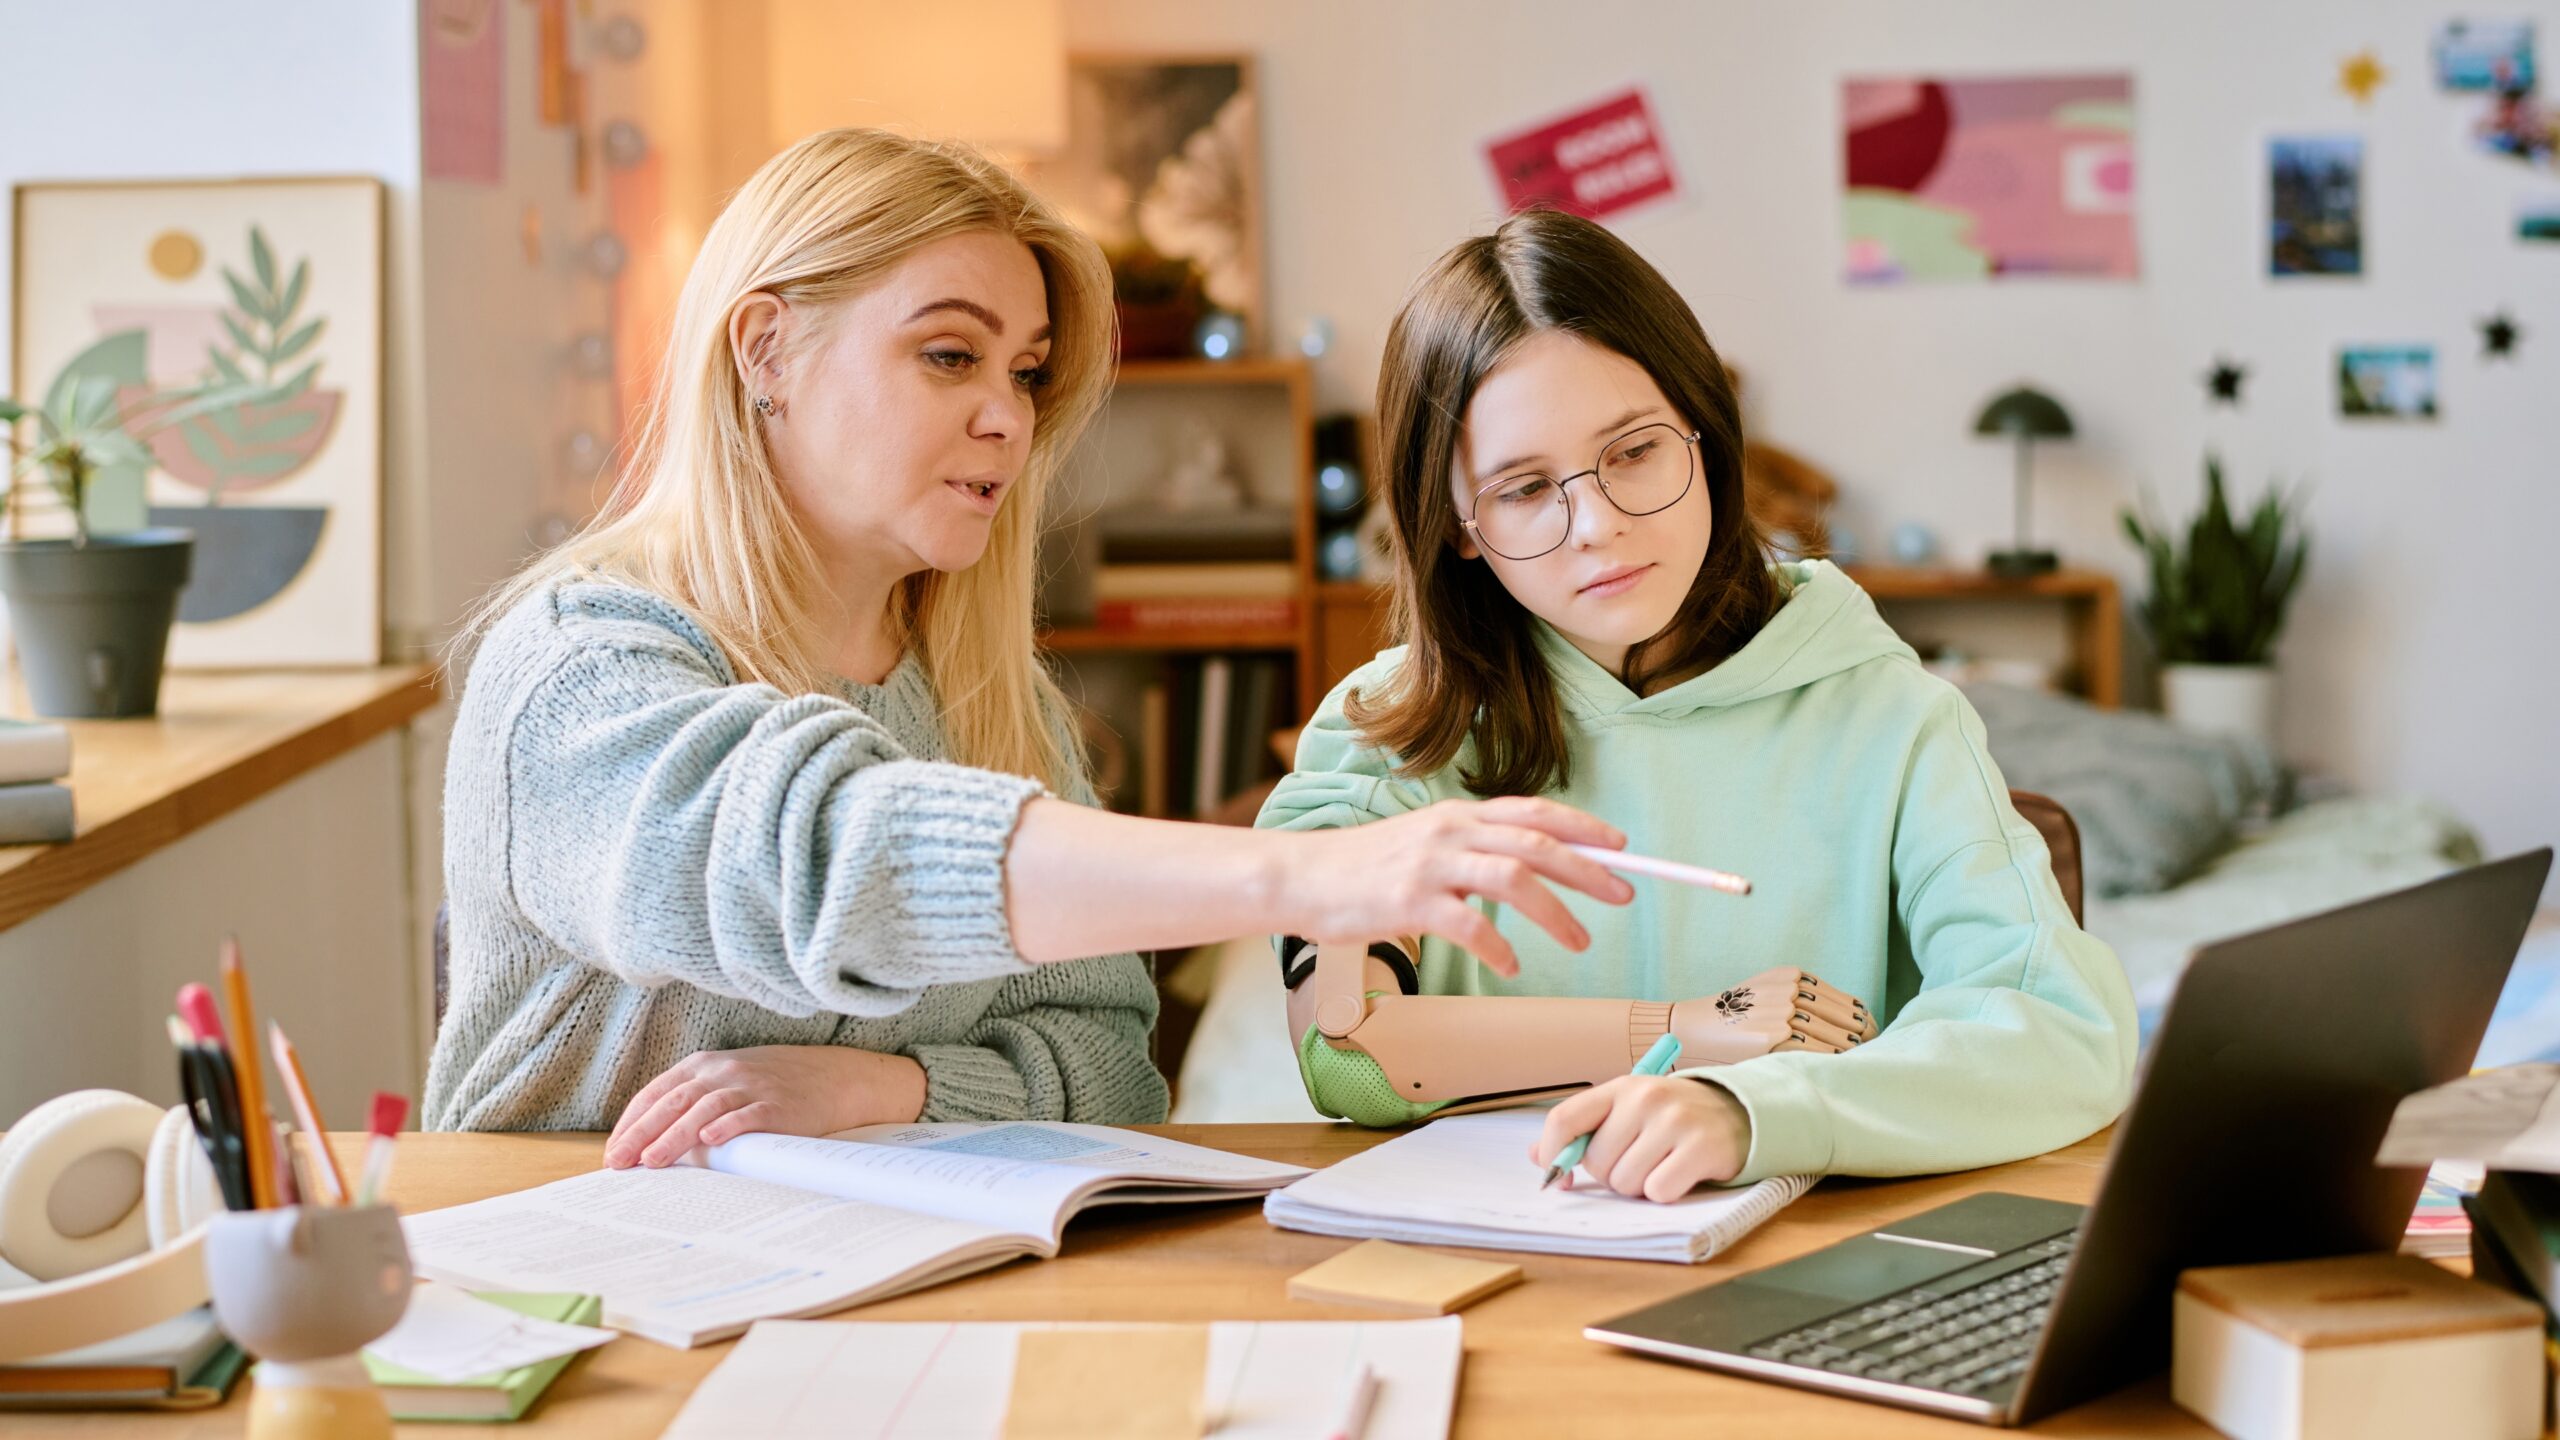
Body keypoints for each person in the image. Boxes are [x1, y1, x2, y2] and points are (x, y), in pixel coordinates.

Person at [422, 130, 1630, 1164]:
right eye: (949, 355)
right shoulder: (583, 665)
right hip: (579, 1295)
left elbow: (1113, 1066)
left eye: (1027, 370)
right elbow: (823, 863)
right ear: (766, 351)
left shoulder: (994, 701)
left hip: (867, 1284)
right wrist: (1304, 875)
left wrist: (881, 1091)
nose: (1007, 415)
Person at [1259, 208, 2137, 1201]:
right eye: (1521, 487)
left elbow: (2061, 1029)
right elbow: (1350, 1058)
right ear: (1457, 526)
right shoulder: (1379, 734)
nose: (1595, 525)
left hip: (1805, 1280)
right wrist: (1691, 1029)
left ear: (1704, 436)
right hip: (1467, 1272)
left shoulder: (1889, 714)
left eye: (1633, 451)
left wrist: (1754, 1109)